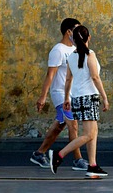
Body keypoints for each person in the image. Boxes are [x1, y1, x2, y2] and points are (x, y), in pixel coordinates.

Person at [52, 24, 110, 178]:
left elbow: (68, 79)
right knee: (89, 134)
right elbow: (95, 77)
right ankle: (59, 155)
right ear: (88, 37)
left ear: (74, 39)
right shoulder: (90, 54)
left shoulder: (71, 56)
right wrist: (104, 97)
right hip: (89, 97)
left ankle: (92, 165)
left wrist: (67, 98)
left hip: (77, 98)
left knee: (93, 132)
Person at [29, 18, 84, 171]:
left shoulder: (75, 49)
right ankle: (78, 160)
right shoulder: (58, 50)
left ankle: (39, 153)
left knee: (59, 125)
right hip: (60, 93)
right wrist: (43, 97)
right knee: (73, 124)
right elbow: (50, 75)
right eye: (76, 30)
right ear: (68, 32)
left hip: (72, 94)